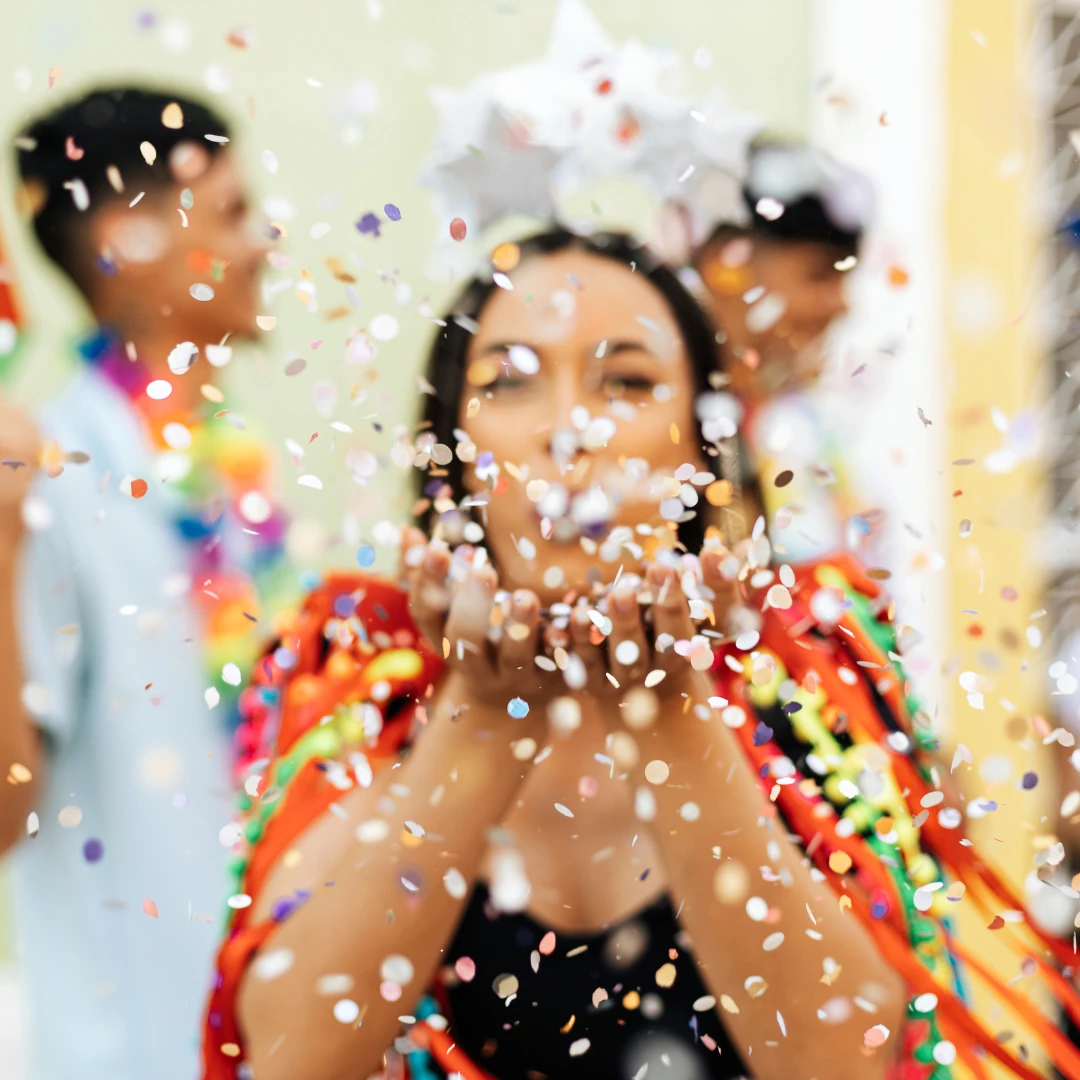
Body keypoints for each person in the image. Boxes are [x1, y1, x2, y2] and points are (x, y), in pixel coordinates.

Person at [202, 230, 1080, 1080]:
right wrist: (483, 713)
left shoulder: (808, 662)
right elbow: (288, 1061)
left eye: (625, 380)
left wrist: (671, 712)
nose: (569, 431)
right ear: (454, 453)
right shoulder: (361, 669)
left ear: (700, 450)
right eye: (510, 382)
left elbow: (843, 1062)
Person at [0, 85, 290, 1080]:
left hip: (267, 1026)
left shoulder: (231, 469)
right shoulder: (51, 481)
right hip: (133, 1051)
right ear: (132, 238)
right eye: (236, 214)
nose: (266, 242)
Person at [691, 139, 872, 566]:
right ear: (727, 266)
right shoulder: (665, 425)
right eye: (820, 274)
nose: (843, 304)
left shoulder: (796, 421)